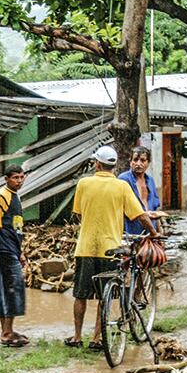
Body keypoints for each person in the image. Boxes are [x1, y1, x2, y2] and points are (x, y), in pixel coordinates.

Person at [67, 145, 157, 349]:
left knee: (80, 294)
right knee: (103, 296)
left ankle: (77, 337)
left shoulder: (84, 184)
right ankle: (97, 339)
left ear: (97, 164)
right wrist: (154, 233)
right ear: (114, 166)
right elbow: (141, 215)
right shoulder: (121, 186)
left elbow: (78, 213)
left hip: (86, 247)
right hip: (110, 249)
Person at [0, 165, 29, 347]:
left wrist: (21, 252)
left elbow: (15, 228)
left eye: (21, 177)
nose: (19, 181)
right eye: (15, 178)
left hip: (12, 249)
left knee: (6, 289)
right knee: (12, 289)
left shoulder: (14, 197)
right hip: (3, 250)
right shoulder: (0, 197)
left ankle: (7, 331)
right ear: (6, 179)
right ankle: (7, 333)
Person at [118, 146, 163, 235]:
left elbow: (155, 208)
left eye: (142, 160)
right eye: (135, 160)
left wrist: (160, 229)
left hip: (151, 231)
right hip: (131, 232)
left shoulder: (150, 181)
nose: (138, 164)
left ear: (148, 163)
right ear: (130, 162)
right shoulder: (124, 179)